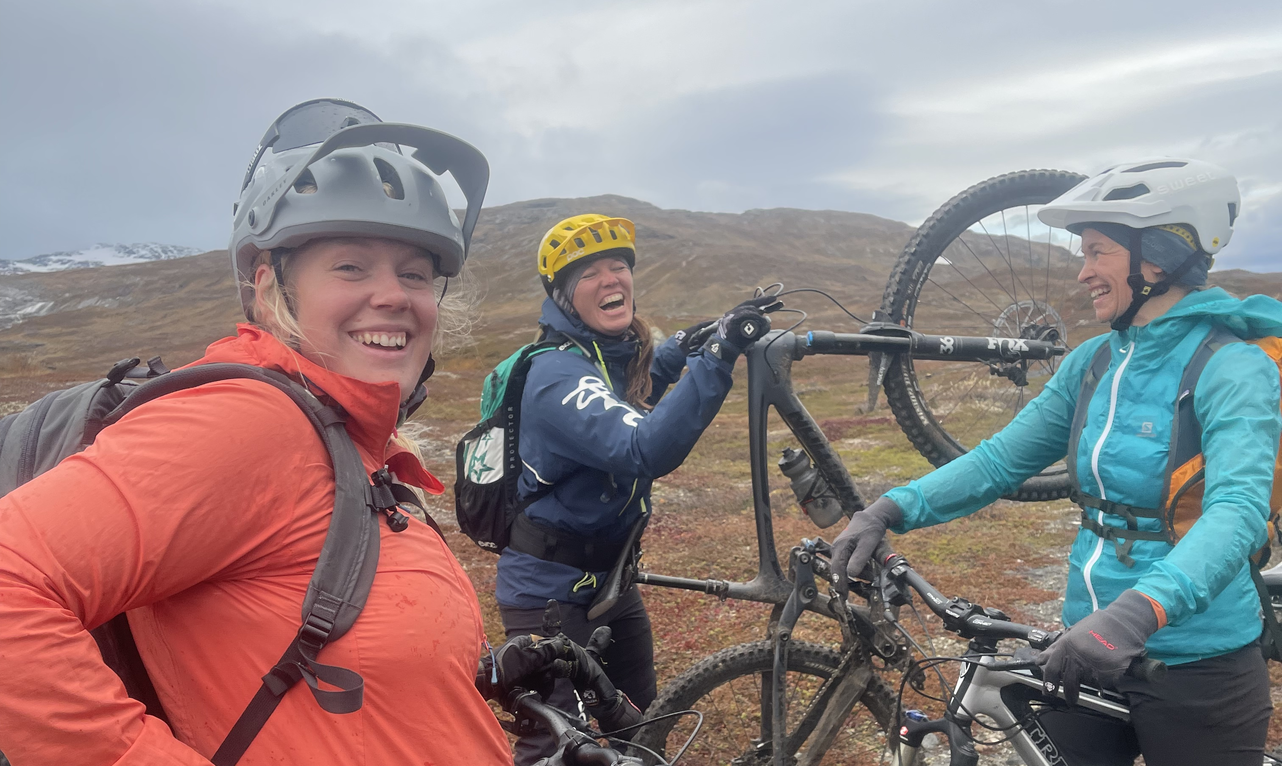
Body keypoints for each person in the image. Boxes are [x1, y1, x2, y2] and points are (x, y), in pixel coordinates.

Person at [0, 99, 516, 764]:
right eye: (351, 266)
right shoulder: (251, 422)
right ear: (272, 288)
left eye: (414, 273)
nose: (393, 295)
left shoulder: (351, 443)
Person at [832, 158, 1279, 766]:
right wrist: (890, 508)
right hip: (1085, 649)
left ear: (1157, 257)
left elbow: (1238, 511)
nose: (1083, 271)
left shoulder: (1232, 367)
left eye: (1097, 252)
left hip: (1199, 666)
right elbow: (998, 461)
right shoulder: (1092, 363)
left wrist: (1135, 614)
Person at [497, 213, 779, 764]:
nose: (611, 279)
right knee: (555, 747)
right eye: (589, 273)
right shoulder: (555, 376)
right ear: (563, 296)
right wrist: (717, 357)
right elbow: (642, 448)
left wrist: (686, 344)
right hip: (548, 596)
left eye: (619, 266)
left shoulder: (604, 357)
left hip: (611, 586)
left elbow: (634, 382)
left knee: (642, 725)